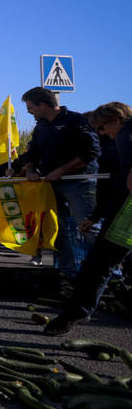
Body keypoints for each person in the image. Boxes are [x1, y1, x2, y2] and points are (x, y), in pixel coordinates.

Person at [45, 102, 132, 334]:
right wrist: (96, 215)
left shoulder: (126, 136)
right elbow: (110, 183)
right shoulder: (117, 140)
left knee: (97, 267)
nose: (104, 135)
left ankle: (75, 313)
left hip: (126, 216)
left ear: (115, 119)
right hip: (120, 211)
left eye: (103, 129)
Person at [10, 87, 102, 278]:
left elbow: (91, 152)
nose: (29, 112)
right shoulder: (41, 126)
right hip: (51, 187)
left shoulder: (76, 121)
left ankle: (105, 274)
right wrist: (30, 169)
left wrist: (62, 170)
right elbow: (33, 152)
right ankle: (66, 273)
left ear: (43, 105)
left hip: (80, 183)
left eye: (30, 108)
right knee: (58, 230)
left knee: (87, 228)